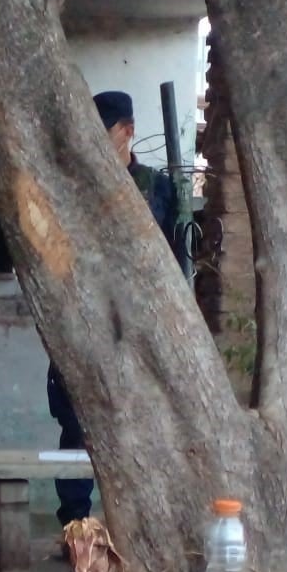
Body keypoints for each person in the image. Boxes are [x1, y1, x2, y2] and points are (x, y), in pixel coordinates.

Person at [48, 90, 177, 528]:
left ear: (127, 131)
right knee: (77, 429)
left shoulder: (157, 189)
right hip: (84, 325)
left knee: (142, 432)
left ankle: (140, 529)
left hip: (137, 330)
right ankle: (75, 529)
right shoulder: (70, 189)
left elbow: (172, 265)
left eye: (99, 134)